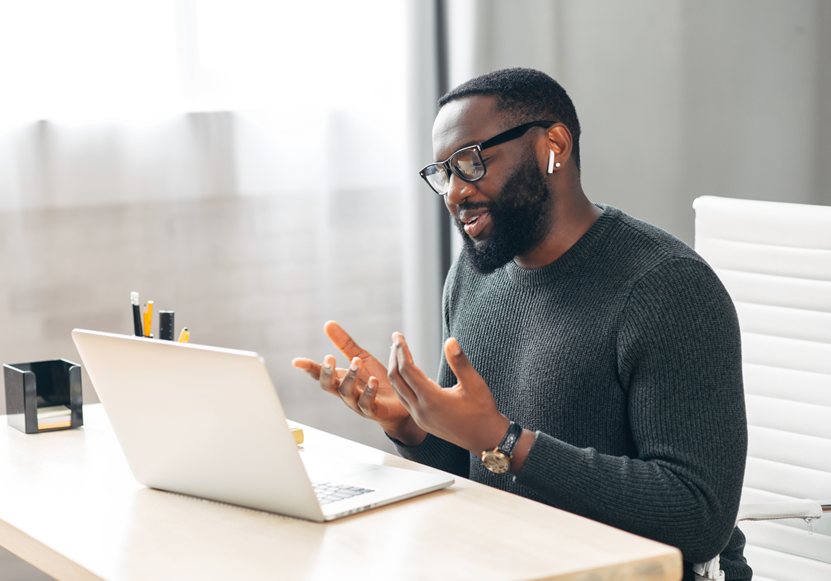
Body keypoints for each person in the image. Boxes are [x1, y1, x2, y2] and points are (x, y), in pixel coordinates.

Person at [292, 68, 750, 580]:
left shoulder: (668, 287)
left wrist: (505, 441)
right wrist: (412, 425)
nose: (453, 193)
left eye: (470, 162)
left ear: (552, 144)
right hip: (512, 561)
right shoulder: (473, 274)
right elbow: (473, 468)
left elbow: (697, 517)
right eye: (443, 173)